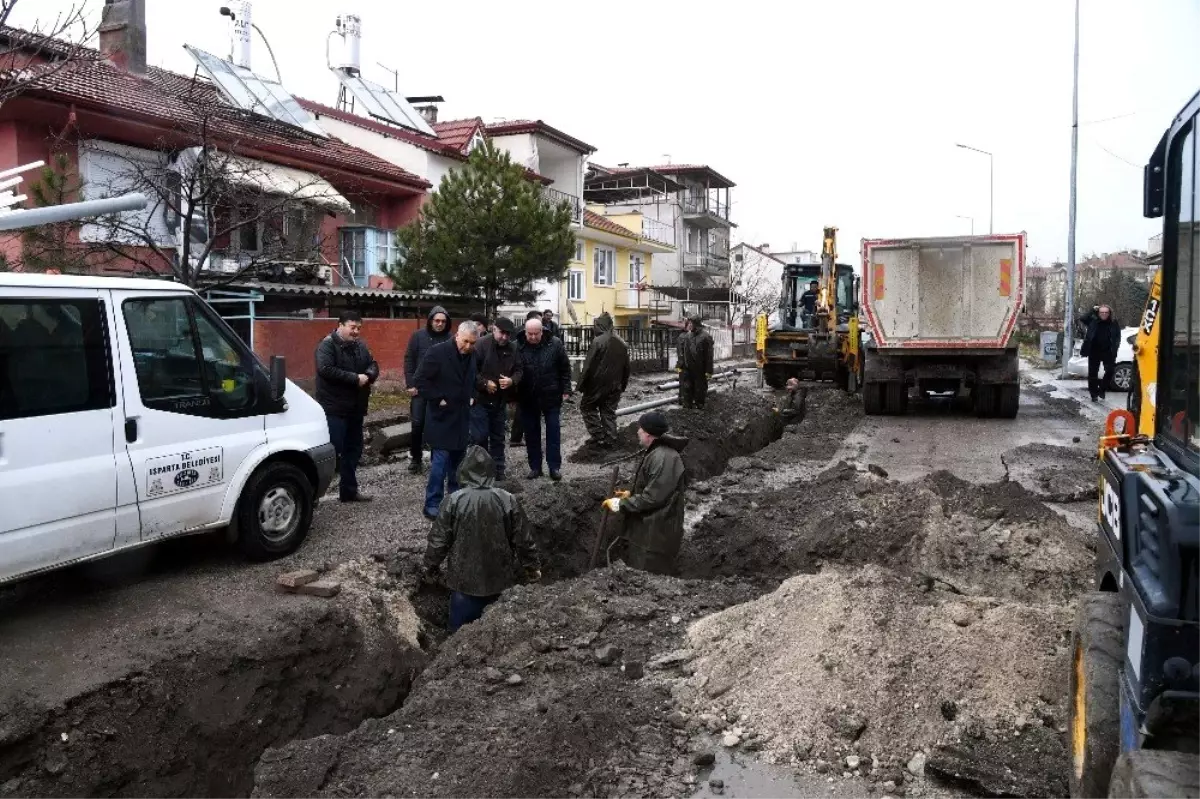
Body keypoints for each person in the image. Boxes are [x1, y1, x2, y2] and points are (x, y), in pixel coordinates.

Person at [421, 445, 540, 632]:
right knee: (500, 634)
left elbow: (439, 540)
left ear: (464, 471)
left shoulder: (453, 501)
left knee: (456, 638)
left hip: (463, 584)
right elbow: (523, 539)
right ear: (490, 471)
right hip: (500, 583)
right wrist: (531, 567)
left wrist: (430, 566)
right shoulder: (506, 499)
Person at [601, 412, 687, 575]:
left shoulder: (663, 458)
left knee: (647, 578)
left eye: (640, 428)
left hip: (655, 535)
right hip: (650, 530)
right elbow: (655, 488)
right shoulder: (658, 453)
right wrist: (630, 493)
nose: (637, 432)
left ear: (648, 433)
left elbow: (653, 497)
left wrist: (620, 504)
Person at [415, 321, 479, 519]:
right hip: (441, 418)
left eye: (472, 343)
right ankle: (432, 503)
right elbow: (420, 380)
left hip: (461, 417)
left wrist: (473, 395)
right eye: (465, 341)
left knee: (458, 465)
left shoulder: (472, 355)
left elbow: (474, 379)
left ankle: (456, 499)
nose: (468, 346)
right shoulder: (438, 352)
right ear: (457, 335)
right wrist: (438, 398)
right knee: (439, 465)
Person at [315, 311, 379, 503]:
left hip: (356, 407)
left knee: (354, 449)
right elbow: (325, 369)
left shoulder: (360, 345)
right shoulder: (326, 345)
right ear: (340, 325)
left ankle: (349, 491)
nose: (356, 332)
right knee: (332, 452)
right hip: (334, 408)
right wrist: (355, 378)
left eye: (359, 328)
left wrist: (369, 374)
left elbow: (373, 364)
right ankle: (314, 495)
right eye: (352, 327)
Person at [517, 317, 572, 481]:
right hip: (528, 396)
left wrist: (566, 389)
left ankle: (554, 467)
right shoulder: (518, 345)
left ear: (542, 331)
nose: (533, 337)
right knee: (531, 434)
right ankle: (535, 467)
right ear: (525, 332)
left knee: (553, 433)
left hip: (551, 395)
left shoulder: (554, 344)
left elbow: (565, 368)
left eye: (536, 333)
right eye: (530, 334)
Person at [472, 317, 523, 479]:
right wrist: (485, 383)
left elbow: (519, 370)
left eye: (508, 334)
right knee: (479, 437)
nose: (504, 337)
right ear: (494, 329)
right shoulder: (481, 345)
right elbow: (471, 371)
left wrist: (511, 381)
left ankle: (499, 470)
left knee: (498, 437)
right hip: (480, 399)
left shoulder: (514, 348)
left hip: (500, 400)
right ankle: (481, 472)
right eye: (502, 333)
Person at [404, 306, 452, 474]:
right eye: (436, 320)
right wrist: (410, 384)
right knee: (417, 424)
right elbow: (409, 360)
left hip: (441, 391)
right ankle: (416, 458)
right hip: (420, 388)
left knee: (439, 424)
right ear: (431, 320)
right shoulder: (418, 337)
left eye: (443, 321)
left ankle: (437, 459)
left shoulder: (450, 339)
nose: (439, 324)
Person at [578, 312, 630, 449]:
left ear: (600, 325)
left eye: (595, 325)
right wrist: (622, 385)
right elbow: (626, 368)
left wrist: (581, 385)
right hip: (615, 386)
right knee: (608, 412)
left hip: (596, 385)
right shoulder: (622, 343)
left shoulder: (598, 341)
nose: (593, 328)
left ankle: (598, 436)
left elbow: (588, 365)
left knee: (587, 407)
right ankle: (611, 439)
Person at [509, 311, 544, 447]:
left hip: (524, 377)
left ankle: (518, 436)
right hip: (522, 377)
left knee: (523, 409)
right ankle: (516, 438)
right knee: (522, 410)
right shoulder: (520, 336)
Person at [1080, 304, 1121, 402]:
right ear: (1098, 313)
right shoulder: (1093, 321)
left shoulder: (1113, 322)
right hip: (1094, 350)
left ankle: (1102, 389)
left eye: (1106, 312)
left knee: (1110, 370)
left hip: (1108, 351)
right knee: (1093, 373)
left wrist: (1115, 347)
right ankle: (1094, 394)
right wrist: (1092, 310)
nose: (1104, 314)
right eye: (1102, 312)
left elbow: (1118, 337)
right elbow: (1083, 318)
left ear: (1109, 313)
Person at [677, 314, 714, 409]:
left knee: (700, 388)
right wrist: (680, 365)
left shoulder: (706, 337)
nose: (689, 325)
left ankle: (699, 406)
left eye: (691, 323)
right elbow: (684, 352)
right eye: (688, 323)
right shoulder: (688, 336)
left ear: (696, 324)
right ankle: (687, 406)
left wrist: (709, 371)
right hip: (688, 368)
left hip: (700, 369)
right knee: (687, 387)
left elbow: (709, 356)